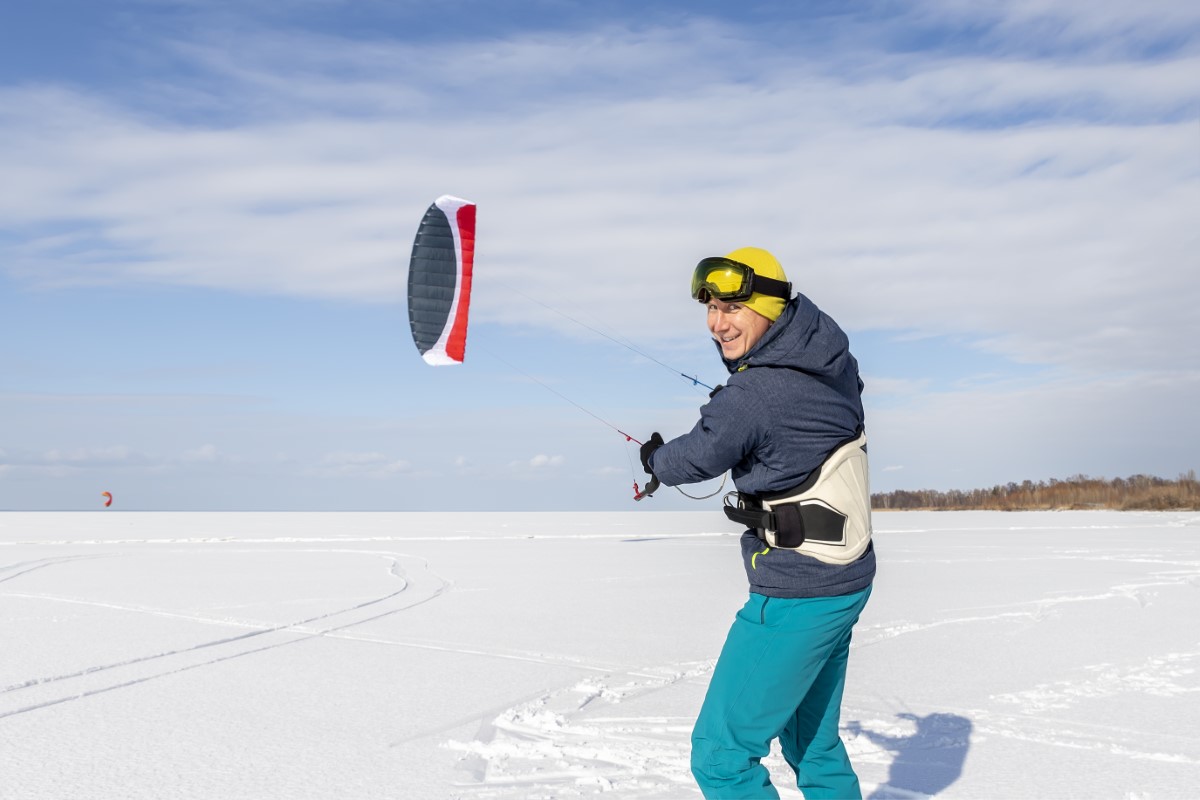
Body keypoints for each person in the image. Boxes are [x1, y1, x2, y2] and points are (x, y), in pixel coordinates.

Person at [640, 247, 875, 799]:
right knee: (812, 745)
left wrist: (654, 459)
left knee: (720, 757)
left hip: (796, 590)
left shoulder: (757, 392)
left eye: (732, 308)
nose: (717, 323)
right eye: (710, 308)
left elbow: (694, 457)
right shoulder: (831, 361)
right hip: (844, 581)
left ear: (770, 307)